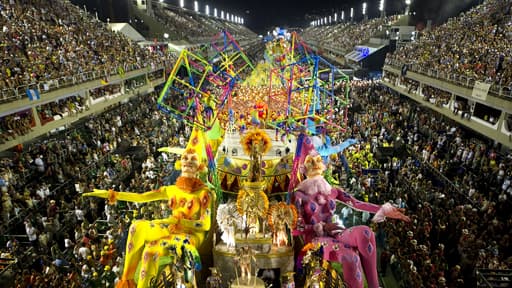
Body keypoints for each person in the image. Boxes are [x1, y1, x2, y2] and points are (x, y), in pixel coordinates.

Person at [84, 148, 214, 288]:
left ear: (199, 166)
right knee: (137, 226)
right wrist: (113, 194)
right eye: (185, 158)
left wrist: (179, 221)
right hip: (171, 229)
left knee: (150, 251)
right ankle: (127, 281)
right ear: (179, 163)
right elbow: (141, 198)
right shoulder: (170, 189)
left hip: (191, 235)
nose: (188, 161)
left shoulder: (204, 193)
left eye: (192, 159)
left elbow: (205, 225)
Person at [293, 150, 410, 288]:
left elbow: (357, 204)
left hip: (335, 233)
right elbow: (296, 229)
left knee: (366, 232)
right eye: (311, 162)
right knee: (351, 257)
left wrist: (382, 209)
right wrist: (320, 227)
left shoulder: (333, 190)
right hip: (314, 241)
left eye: (318, 161)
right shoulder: (299, 195)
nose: (316, 164)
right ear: (304, 169)